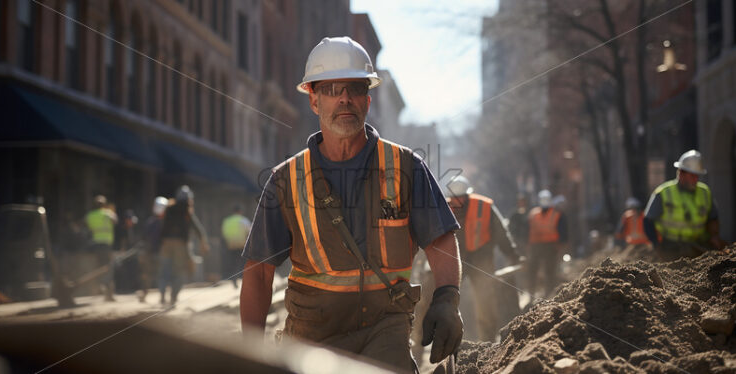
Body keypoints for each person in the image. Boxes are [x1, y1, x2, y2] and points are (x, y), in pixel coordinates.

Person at [240, 36, 463, 372]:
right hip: (311, 335)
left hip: (384, 329)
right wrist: (250, 355)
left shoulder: (405, 167)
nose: (344, 98)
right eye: (331, 89)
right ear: (314, 101)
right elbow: (258, 273)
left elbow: (441, 240)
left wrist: (447, 299)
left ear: (367, 101)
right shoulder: (285, 180)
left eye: (354, 88)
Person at [413, 176, 519, 350]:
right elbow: (430, 236)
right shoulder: (445, 207)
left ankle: (487, 343)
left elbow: (500, 232)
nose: (457, 202)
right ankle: (419, 340)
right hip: (455, 258)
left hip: (479, 259)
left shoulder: (480, 206)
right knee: (430, 296)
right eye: (455, 200)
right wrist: (512, 253)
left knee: (484, 301)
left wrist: (512, 253)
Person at [643, 150, 726, 261]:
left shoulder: (705, 192)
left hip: (699, 245)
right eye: (692, 175)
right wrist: (656, 244)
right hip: (671, 247)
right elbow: (648, 221)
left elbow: (713, 218)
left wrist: (714, 236)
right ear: (681, 173)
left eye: (697, 176)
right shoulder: (663, 193)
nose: (696, 179)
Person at [158, 186, 210, 305]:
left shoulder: (169, 208)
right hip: (180, 245)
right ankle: (173, 296)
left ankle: (162, 295)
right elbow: (198, 229)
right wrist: (204, 242)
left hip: (166, 244)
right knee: (179, 271)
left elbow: (162, 227)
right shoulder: (187, 211)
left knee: (164, 270)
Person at [525, 189, 568, 297]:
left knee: (550, 271)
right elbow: (527, 229)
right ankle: (532, 293)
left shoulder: (557, 214)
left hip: (550, 246)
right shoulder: (533, 214)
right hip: (536, 246)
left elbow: (563, 231)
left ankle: (549, 294)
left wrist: (561, 245)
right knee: (533, 270)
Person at [84, 195, 118, 301]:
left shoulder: (90, 215)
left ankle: (98, 289)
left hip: (95, 245)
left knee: (98, 267)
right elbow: (115, 221)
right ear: (104, 204)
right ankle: (108, 292)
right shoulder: (108, 214)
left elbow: (86, 226)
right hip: (106, 245)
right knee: (108, 268)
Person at [137, 196, 167, 303]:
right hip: (158, 253)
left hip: (152, 252)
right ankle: (162, 297)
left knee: (149, 275)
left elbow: (144, 238)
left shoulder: (151, 222)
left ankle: (146, 295)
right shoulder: (164, 223)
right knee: (161, 275)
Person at [221, 204, 252, 287]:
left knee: (233, 262)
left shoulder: (227, 221)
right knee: (242, 262)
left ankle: (234, 278)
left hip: (230, 245)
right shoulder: (243, 220)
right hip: (241, 245)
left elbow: (224, 232)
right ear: (240, 211)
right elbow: (250, 232)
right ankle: (243, 279)